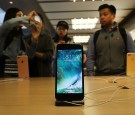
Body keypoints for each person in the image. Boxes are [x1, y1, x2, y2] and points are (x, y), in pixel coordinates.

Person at [86, 4, 135, 76]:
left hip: (122, 76)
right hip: (100, 77)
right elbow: (90, 57)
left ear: (113, 16)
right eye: (100, 15)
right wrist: (90, 75)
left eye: (105, 14)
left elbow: (132, 55)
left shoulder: (124, 33)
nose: (102, 17)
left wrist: (131, 75)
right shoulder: (95, 36)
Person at [0, 8, 39, 77]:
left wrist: (34, 40)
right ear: (12, 17)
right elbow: (8, 23)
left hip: (21, 74)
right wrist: (26, 17)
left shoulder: (20, 37)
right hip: (5, 75)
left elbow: (30, 56)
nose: (22, 18)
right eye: (19, 15)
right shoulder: (4, 31)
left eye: (22, 15)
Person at [27, 13, 55, 77]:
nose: (35, 22)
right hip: (29, 74)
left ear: (42, 24)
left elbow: (49, 56)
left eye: (37, 21)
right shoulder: (26, 38)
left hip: (44, 74)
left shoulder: (47, 38)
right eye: (33, 21)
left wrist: (32, 51)